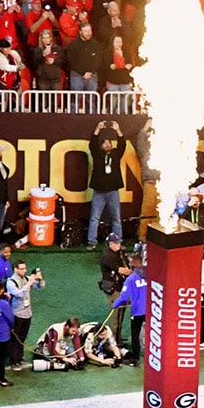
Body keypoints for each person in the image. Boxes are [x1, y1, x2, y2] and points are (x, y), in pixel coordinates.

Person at [86, 120, 128, 248]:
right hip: (99, 191)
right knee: (94, 218)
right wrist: (98, 128)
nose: (107, 144)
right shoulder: (97, 154)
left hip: (113, 191)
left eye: (109, 143)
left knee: (116, 219)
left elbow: (122, 144)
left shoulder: (116, 154)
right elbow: (92, 143)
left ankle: (118, 242)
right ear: (101, 146)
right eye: (104, 143)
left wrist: (117, 130)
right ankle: (91, 242)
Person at [111, 254, 149, 364]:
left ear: (133, 265)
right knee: (153, 332)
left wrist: (115, 305)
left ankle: (135, 359)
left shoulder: (131, 279)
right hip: (151, 310)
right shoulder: (151, 275)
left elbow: (124, 297)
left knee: (135, 334)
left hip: (137, 311)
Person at [5, 260, 43, 365]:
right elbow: (19, 294)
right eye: (22, 269)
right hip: (17, 313)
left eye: (25, 268)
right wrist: (29, 283)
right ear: (16, 269)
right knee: (15, 339)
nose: (24, 271)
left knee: (22, 337)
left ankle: (20, 357)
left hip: (27, 313)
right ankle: (14, 361)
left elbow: (39, 287)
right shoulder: (10, 282)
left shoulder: (26, 278)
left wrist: (39, 279)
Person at [0, 282, 13, 387]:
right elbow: (10, 319)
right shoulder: (3, 304)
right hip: (2, 336)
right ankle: (1, 379)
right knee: (1, 358)